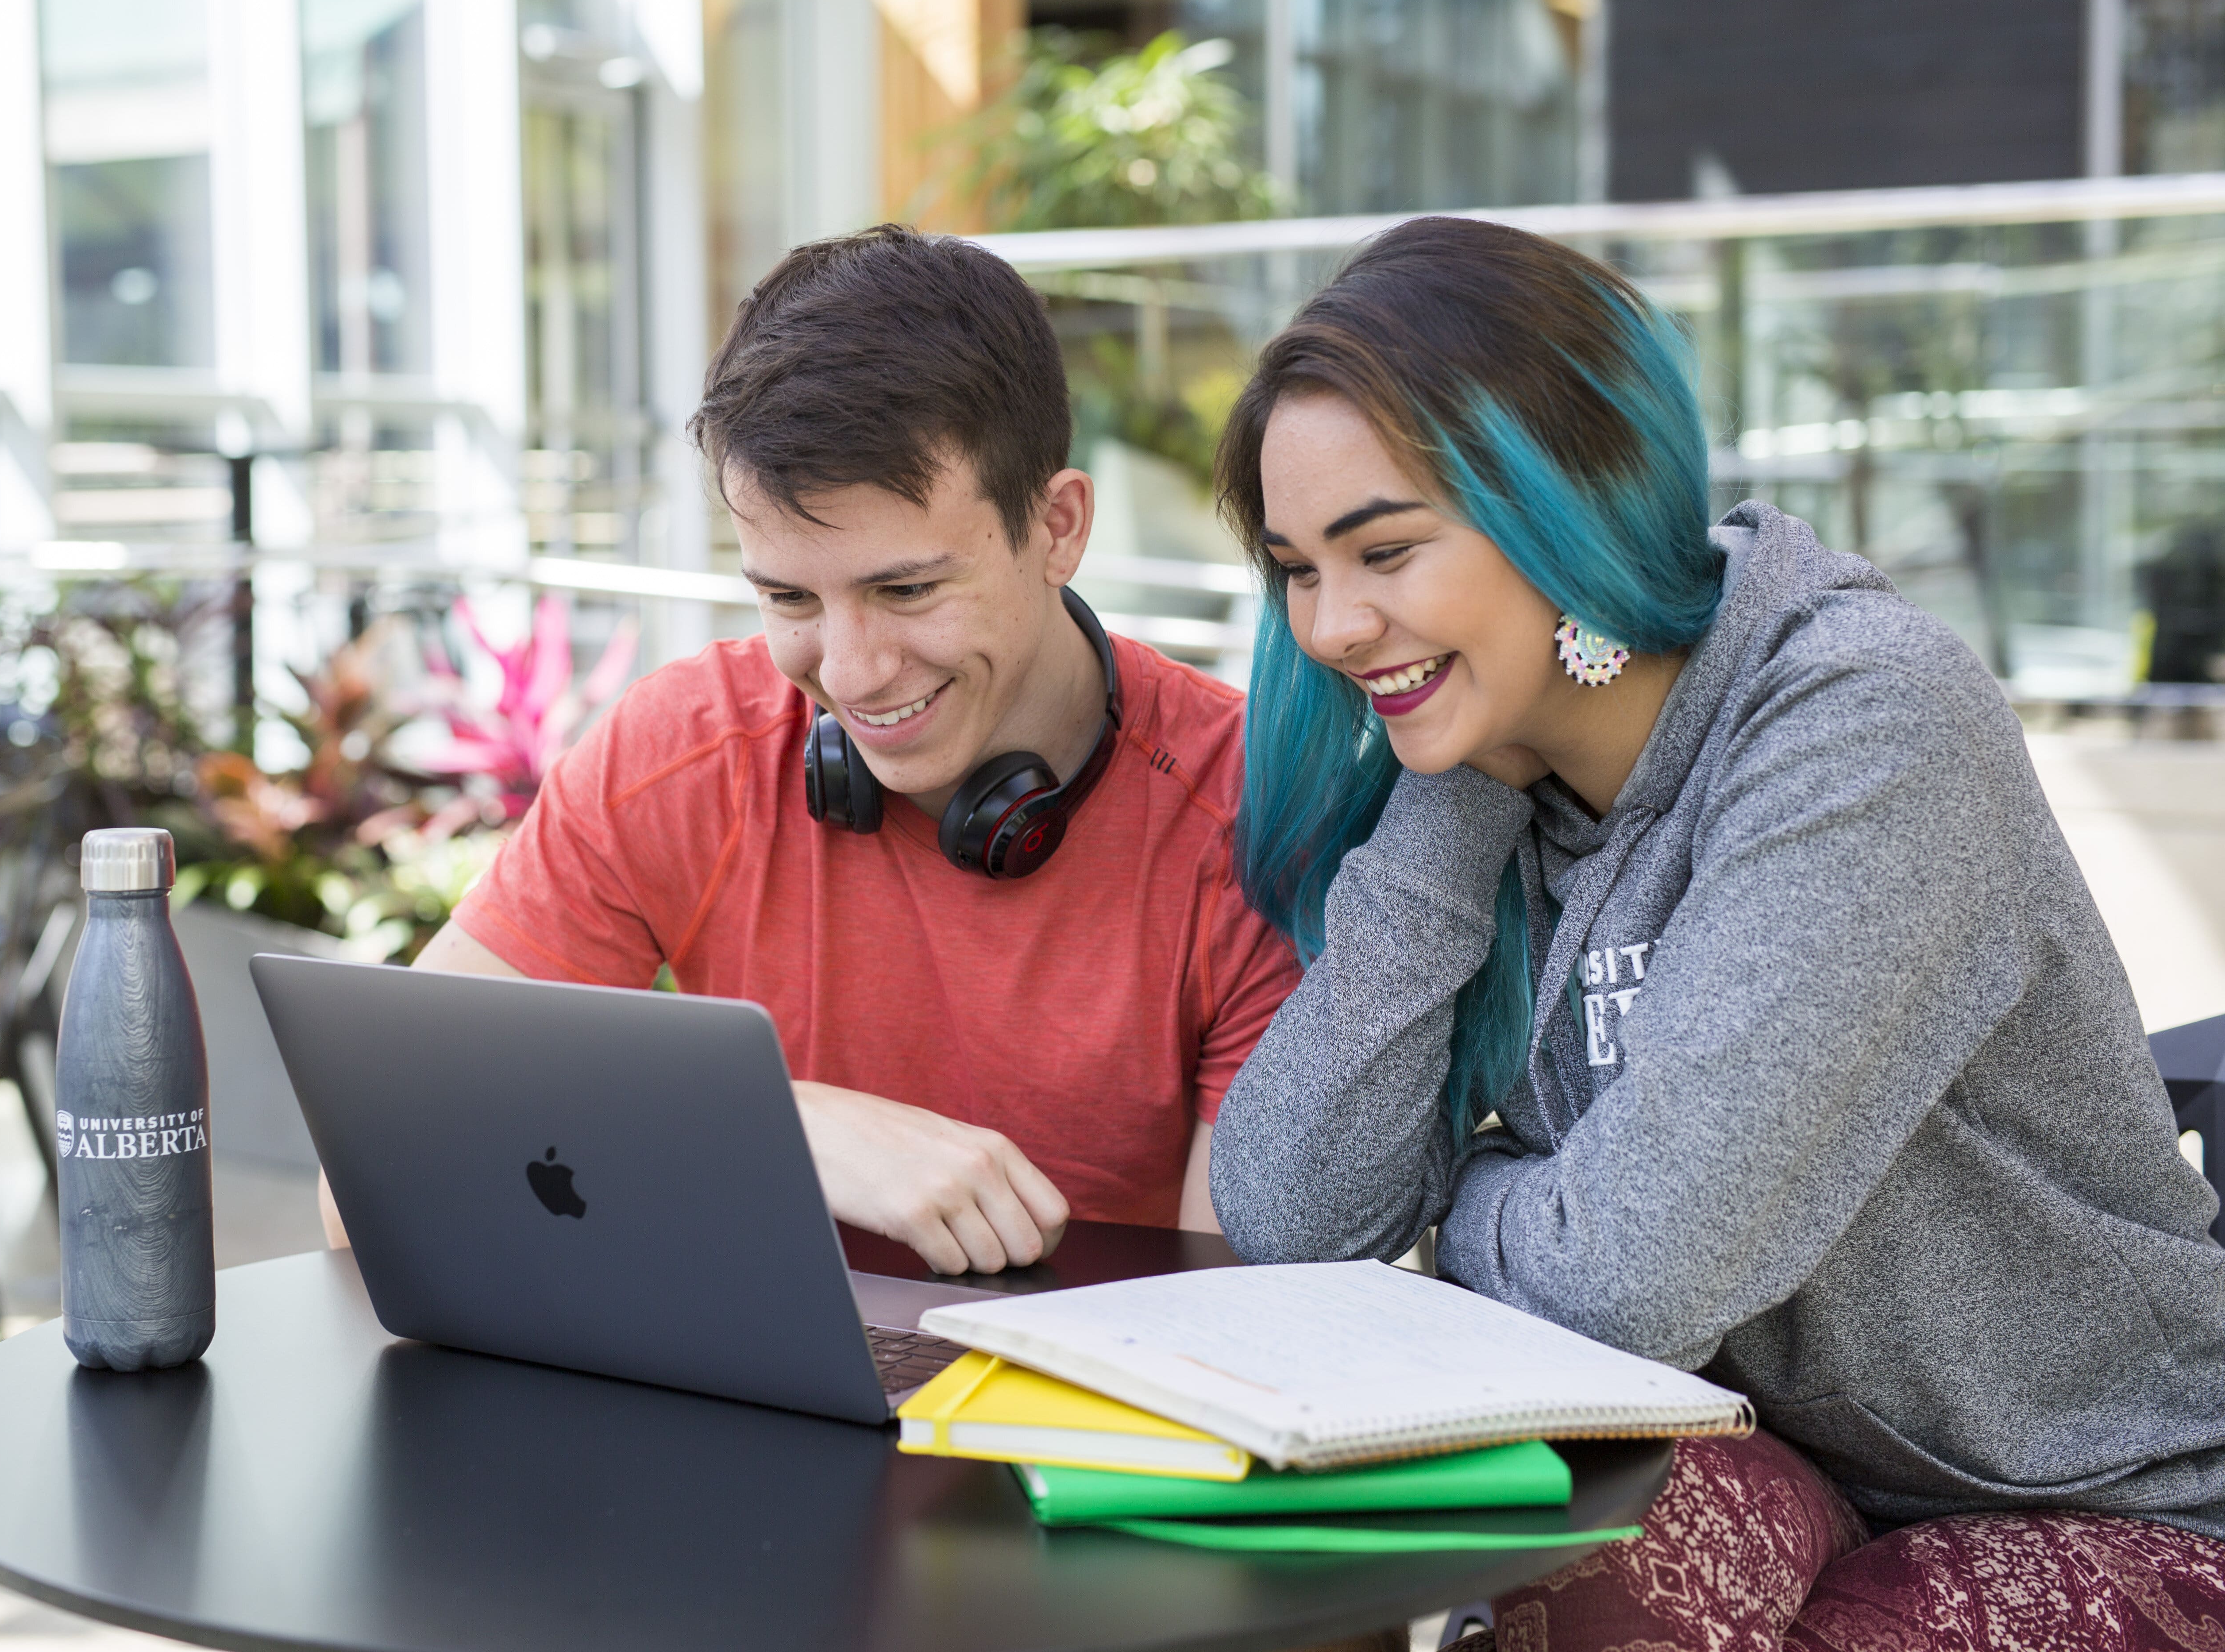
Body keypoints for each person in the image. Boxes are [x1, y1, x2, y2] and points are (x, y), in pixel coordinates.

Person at [1206, 217, 2225, 1650]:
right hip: (1775, 1446)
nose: (1329, 624)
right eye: (1297, 568)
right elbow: (1294, 1213)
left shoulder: (1865, 721)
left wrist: (1473, 1199)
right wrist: (1445, 818)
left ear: (1567, 505)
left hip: (2108, 1487)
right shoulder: (1496, 773)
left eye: (1382, 552)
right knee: (1571, 1588)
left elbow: (1631, 1288)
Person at [332, 225, 1300, 1277]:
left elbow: (1228, 1322)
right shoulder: (682, 750)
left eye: (907, 590)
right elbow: (365, 1194)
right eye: (789, 598)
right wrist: (769, 1121)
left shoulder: (1251, 818)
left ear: (1058, 527)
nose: (853, 671)